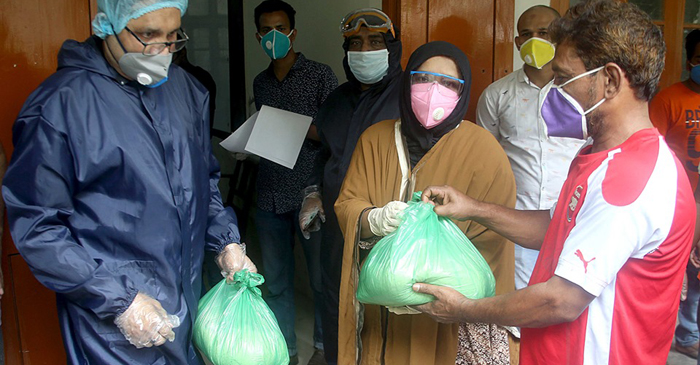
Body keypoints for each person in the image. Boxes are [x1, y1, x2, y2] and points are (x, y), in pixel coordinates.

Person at [414, 1, 695, 364]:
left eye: (563, 79)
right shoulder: (598, 156)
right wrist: (472, 208)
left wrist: (464, 309)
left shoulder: (628, 180)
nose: (552, 92)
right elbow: (556, 227)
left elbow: (560, 300)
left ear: (609, 80)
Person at [1, 1, 256, 363]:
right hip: (112, 323)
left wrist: (227, 243)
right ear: (107, 25)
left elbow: (204, 184)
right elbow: (38, 226)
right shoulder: (59, 106)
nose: (161, 52)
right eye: (148, 35)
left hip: (185, 300)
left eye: (172, 37)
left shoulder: (185, 91)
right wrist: (122, 302)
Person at [334, 41, 517, 365]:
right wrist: (373, 219)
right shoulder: (375, 139)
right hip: (380, 313)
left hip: (446, 320)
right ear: (407, 84)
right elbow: (348, 202)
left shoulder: (484, 152)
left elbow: (494, 243)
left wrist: (420, 282)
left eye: (448, 84)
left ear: (463, 93)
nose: (434, 91)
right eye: (423, 79)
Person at [297, 8, 402, 364]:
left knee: (384, 314)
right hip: (339, 231)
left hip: (388, 230)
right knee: (336, 303)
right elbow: (324, 154)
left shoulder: (408, 98)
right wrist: (313, 191)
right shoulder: (336, 101)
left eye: (375, 42)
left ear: (392, 46)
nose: (364, 50)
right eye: (355, 43)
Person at [251, 1, 338, 364]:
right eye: (266, 30)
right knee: (275, 282)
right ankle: (284, 350)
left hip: (309, 193)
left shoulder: (320, 75)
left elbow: (335, 134)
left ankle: (322, 346)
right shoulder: (261, 82)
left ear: (293, 32)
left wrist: (293, 125)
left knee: (320, 280)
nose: (274, 36)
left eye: (280, 28)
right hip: (269, 193)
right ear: (259, 36)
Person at [477, 5, 585, 293]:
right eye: (527, 34)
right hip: (516, 221)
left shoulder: (582, 94)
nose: (535, 40)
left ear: (560, 37)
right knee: (518, 303)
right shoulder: (497, 95)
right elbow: (486, 160)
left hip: (574, 217)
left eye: (544, 33)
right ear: (517, 42)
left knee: (567, 299)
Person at [649, 29, 700, 360]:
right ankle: (684, 332)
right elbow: (652, 150)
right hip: (683, 201)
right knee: (686, 273)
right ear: (688, 61)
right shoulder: (669, 99)